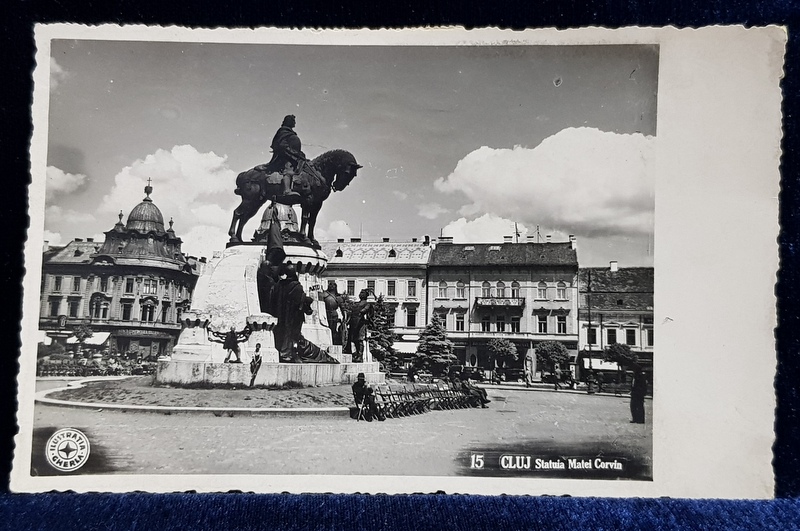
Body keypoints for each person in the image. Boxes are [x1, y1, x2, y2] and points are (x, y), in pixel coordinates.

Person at [262, 114, 304, 203]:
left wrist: (298, 154)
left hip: (292, 156)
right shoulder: (282, 131)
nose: (295, 123)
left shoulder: (289, 132)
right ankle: (286, 190)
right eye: (293, 121)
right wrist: (292, 152)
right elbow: (281, 145)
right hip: (283, 157)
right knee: (288, 169)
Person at [347, 289, 374, 362]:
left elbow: (367, 311)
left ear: (366, 295)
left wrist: (363, 312)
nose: (361, 294)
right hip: (353, 323)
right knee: (354, 340)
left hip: (360, 323)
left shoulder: (367, 304)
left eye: (363, 293)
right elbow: (351, 313)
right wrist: (348, 321)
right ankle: (356, 354)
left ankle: (360, 355)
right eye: (360, 292)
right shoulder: (356, 304)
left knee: (359, 339)